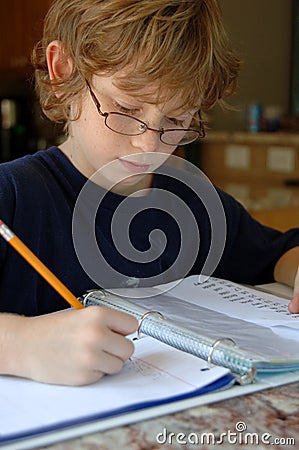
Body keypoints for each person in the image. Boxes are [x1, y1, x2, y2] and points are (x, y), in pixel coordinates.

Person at [0, 0, 298, 387]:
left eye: (176, 119)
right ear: (62, 72)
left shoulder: (191, 205)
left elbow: (278, 254)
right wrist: (20, 345)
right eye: (125, 109)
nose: (149, 146)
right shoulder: (12, 198)